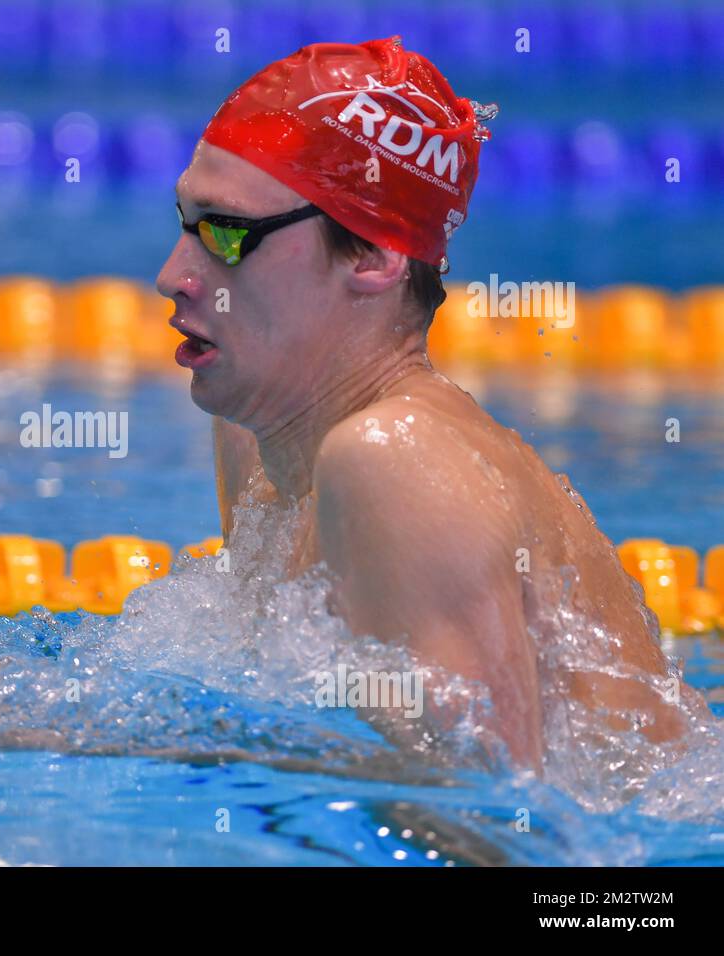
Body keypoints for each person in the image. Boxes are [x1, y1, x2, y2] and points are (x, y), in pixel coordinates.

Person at [155, 37, 697, 770]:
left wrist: (127, 749)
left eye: (225, 233)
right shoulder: (258, 440)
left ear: (375, 256)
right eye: (185, 222)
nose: (173, 275)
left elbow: (491, 824)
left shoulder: (392, 461)